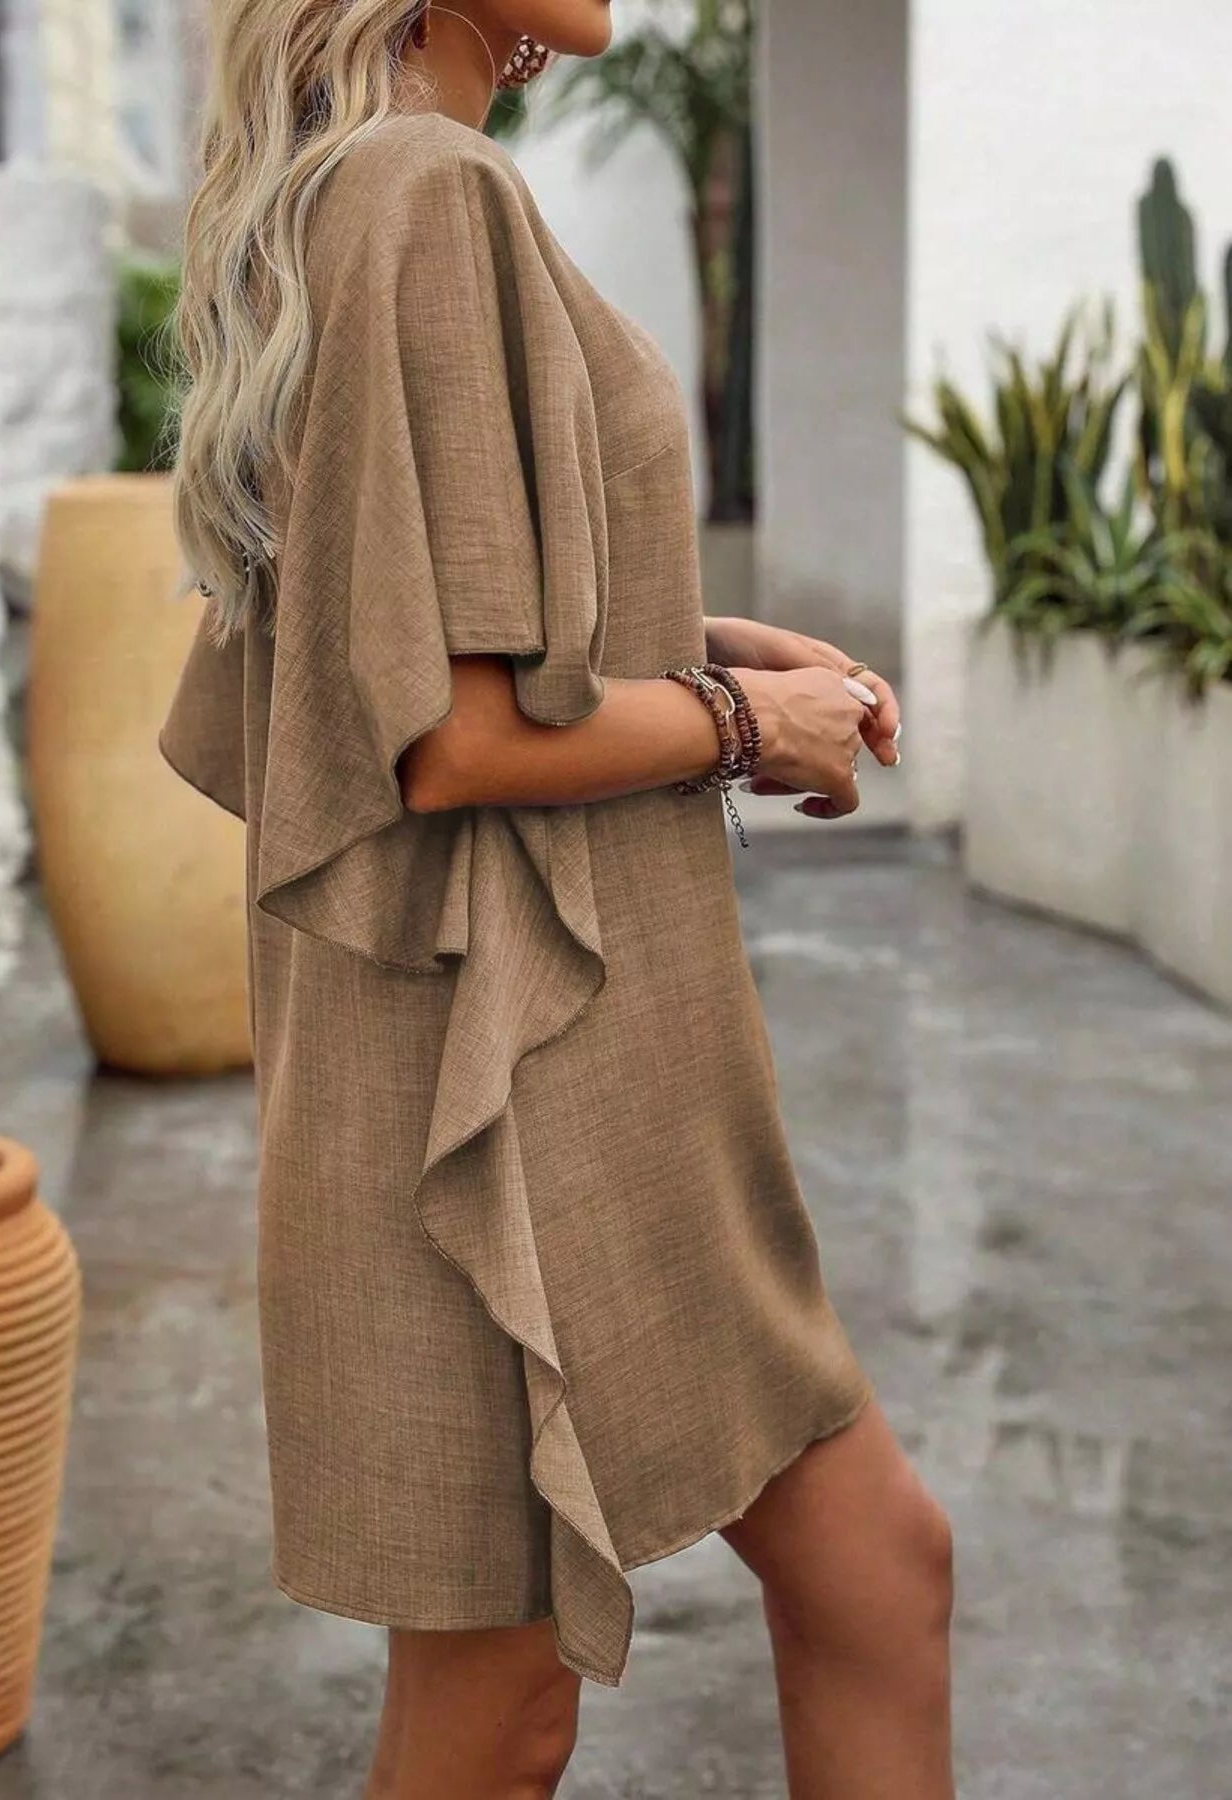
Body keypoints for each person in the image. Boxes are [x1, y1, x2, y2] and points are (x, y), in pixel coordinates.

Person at [160, 3, 956, 1796]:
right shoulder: (425, 188)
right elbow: (437, 738)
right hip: (494, 1072)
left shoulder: (353, 183)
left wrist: (703, 650)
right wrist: (752, 722)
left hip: (575, 1050)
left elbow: (446, 617)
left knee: (877, 1569)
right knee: (495, 1716)